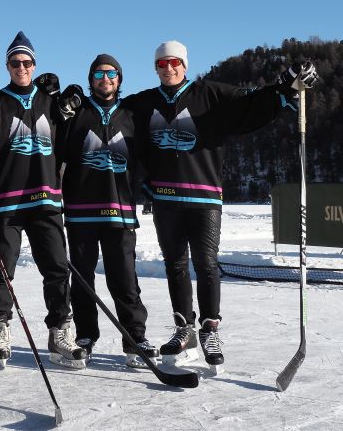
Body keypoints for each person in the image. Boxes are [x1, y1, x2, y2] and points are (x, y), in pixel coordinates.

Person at [122, 40, 317, 373]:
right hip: (166, 198)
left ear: (184, 65)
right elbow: (112, 119)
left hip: (204, 197)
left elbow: (251, 102)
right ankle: (184, 329)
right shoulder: (142, 103)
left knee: (207, 264)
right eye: (162, 64)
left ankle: (210, 329)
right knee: (175, 265)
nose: (169, 68)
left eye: (174, 63)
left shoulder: (210, 94)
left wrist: (286, 85)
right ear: (155, 68)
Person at [0, 31, 86, 369]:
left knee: (57, 267)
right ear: (7, 65)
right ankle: (0, 326)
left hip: (45, 200)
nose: (22, 66)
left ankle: (60, 330)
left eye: (27, 62)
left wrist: (74, 93)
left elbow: (78, 123)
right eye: (15, 62)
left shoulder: (50, 101)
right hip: (7, 203)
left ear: (35, 65)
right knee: (3, 269)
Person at [55, 54, 157, 368]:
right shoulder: (76, 112)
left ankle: (135, 338)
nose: (105, 78)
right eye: (99, 73)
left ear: (119, 78)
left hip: (120, 211)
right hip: (81, 211)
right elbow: (54, 144)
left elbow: (148, 154)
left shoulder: (131, 114)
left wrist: (151, 185)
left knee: (124, 278)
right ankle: (86, 336)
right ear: (91, 79)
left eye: (111, 73)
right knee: (83, 279)